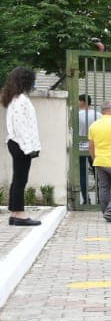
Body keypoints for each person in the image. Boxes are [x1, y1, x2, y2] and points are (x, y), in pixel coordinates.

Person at [3, 68, 43, 226]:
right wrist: (28, 148)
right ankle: (19, 214)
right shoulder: (20, 100)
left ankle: (15, 213)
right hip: (21, 144)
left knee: (18, 179)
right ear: (26, 81)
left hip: (17, 143)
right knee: (21, 180)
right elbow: (21, 127)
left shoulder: (15, 98)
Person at [77, 95, 99, 204]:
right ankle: (101, 199)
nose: (77, 103)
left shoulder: (77, 115)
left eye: (79, 101)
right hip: (95, 148)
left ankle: (86, 200)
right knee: (98, 174)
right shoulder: (98, 115)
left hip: (81, 148)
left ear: (83, 102)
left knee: (83, 175)